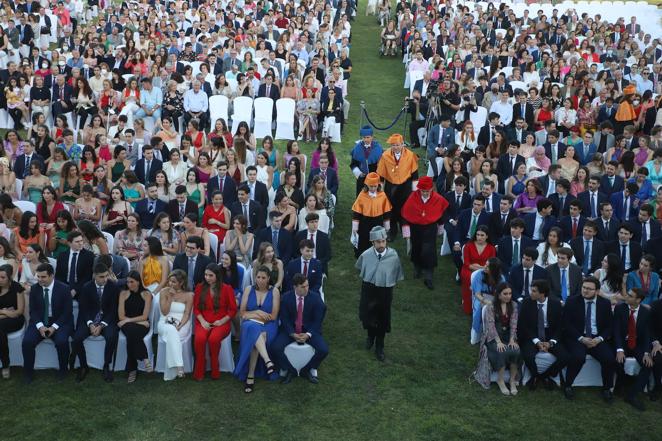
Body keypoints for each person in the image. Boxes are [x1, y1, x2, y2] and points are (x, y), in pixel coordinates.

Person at [562, 276, 616, 402]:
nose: (585, 291)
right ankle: (568, 385)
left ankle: (607, 388)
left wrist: (600, 339)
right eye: (584, 287)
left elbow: (609, 326)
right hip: (578, 338)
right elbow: (566, 324)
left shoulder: (605, 303)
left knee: (609, 359)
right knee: (578, 357)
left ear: (597, 291)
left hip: (597, 339)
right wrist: (581, 338)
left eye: (589, 289)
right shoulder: (572, 301)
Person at [355, 226, 404, 361]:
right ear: (373, 243)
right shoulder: (366, 255)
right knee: (368, 315)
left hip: (385, 291)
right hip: (369, 289)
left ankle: (379, 346)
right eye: (378, 242)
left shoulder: (393, 256)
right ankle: (370, 336)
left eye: (383, 241)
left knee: (382, 318)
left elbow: (396, 273)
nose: (381, 244)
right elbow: (360, 267)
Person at [270, 273, 328, 385]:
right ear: (295, 287)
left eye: (307, 285)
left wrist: (308, 334)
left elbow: (318, 320)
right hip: (290, 331)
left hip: (309, 330)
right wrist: (292, 333)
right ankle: (290, 370)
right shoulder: (286, 298)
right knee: (275, 348)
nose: (306, 289)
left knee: (323, 350)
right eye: (303, 287)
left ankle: (306, 370)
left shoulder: (315, 298)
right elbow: (285, 319)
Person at [21, 263, 73, 383]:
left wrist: (54, 327)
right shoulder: (34, 288)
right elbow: (33, 310)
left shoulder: (64, 288)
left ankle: (63, 370)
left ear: (52, 276)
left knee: (61, 342)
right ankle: (28, 373)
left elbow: (67, 312)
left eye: (43, 277)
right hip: (39, 321)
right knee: (27, 342)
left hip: (60, 321)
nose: (39, 279)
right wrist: (40, 326)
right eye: (38, 277)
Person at [233, 265, 280, 392]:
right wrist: (258, 312)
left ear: (269, 278)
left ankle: (250, 375)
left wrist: (252, 314)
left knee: (256, 337)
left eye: (263, 277)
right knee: (253, 329)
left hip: (269, 325)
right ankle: (268, 361)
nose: (260, 280)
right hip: (250, 323)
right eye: (258, 277)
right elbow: (242, 313)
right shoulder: (248, 289)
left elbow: (273, 316)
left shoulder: (274, 291)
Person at [70, 263, 120, 383]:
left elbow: (113, 310)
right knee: (77, 338)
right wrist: (91, 324)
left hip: (107, 320)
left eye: (106, 276)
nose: (105, 279)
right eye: (102, 277)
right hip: (89, 319)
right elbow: (83, 308)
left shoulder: (113, 287)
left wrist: (102, 325)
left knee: (112, 336)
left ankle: (106, 365)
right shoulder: (87, 287)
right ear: (95, 276)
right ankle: (83, 366)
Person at [517, 279, 569, 391]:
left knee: (565, 357)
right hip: (532, 334)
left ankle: (545, 376)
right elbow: (523, 325)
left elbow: (560, 326)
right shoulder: (527, 302)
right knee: (528, 355)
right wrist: (536, 341)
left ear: (542, 293)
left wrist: (551, 342)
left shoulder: (555, 304)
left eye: (534, 291)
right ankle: (535, 375)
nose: (531, 293)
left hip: (550, 335)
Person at [401, 176, 448, 290]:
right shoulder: (413, 197)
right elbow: (406, 213)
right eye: (423, 191)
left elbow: (442, 213)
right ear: (419, 189)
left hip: (430, 228)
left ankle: (428, 276)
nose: (425, 193)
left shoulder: (437, 198)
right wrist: (406, 230)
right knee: (416, 247)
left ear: (431, 189)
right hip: (415, 227)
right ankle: (417, 267)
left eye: (427, 191)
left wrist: (441, 227)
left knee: (429, 250)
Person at [192, 263, 237, 381]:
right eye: (206, 275)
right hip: (203, 321)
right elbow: (196, 308)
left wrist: (222, 321)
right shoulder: (199, 287)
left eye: (210, 275)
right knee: (199, 339)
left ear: (217, 276)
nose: (207, 278)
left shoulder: (227, 289)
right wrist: (202, 321)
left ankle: (215, 368)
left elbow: (232, 310)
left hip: (221, 322)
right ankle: (200, 370)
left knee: (214, 339)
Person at [475, 282, 520, 395]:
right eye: (505, 294)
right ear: (499, 295)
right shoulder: (491, 307)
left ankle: (512, 380)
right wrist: (498, 342)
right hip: (493, 336)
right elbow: (491, 326)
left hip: (508, 335)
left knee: (516, 350)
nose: (508, 296)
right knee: (501, 351)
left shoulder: (513, 305)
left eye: (510, 293)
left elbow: (514, 324)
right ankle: (500, 380)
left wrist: (511, 339)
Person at [613, 287, 653, 411]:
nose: (627, 297)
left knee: (648, 365)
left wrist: (646, 352)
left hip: (637, 344)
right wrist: (619, 349)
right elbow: (616, 331)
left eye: (630, 296)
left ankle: (632, 395)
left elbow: (647, 334)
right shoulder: (620, 308)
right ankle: (621, 385)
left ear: (638, 300)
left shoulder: (645, 312)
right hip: (623, 343)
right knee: (618, 361)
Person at [376, 133, 419, 239]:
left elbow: (415, 173)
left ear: (402, 144)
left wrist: (415, 190)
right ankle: (392, 231)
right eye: (393, 145)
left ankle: (406, 231)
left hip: (406, 186)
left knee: (405, 208)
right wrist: (380, 190)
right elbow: (381, 174)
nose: (395, 147)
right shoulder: (385, 156)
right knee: (391, 209)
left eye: (397, 145)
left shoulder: (410, 155)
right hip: (391, 186)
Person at [117, 271, 153, 383]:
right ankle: (145, 358)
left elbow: (145, 316)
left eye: (132, 282)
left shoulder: (147, 294)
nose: (129, 284)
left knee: (131, 336)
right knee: (132, 332)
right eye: (127, 282)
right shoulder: (123, 294)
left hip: (136, 325)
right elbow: (121, 316)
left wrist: (129, 320)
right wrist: (138, 322)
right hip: (129, 325)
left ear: (138, 282)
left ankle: (132, 369)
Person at [157, 269, 193, 381]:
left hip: (182, 322)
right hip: (164, 321)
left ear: (181, 283)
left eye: (173, 282)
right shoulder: (164, 292)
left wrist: (181, 325)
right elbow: (164, 312)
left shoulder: (189, 295)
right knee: (171, 331)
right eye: (169, 281)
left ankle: (176, 367)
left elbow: (187, 314)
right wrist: (170, 298)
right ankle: (179, 366)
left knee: (174, 332)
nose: (170, 284)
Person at [351, 172, 392, 257]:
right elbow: (356, 212)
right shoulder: (362, 195)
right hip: (364, 223)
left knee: (377, 239)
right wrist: (355, 227)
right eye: (371, 186)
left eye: (375, 186)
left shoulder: (382, 195)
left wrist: (387, 226)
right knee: (364, 241)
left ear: (378, 185)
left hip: (378, 222)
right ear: (367, 185)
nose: (373, 188)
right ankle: (362, 258)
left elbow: (386, 211)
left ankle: (376, 257)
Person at [0, 265, 25, 379]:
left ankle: (5, 364)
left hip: (15, 320)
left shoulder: (17, 287)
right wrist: (6, 311)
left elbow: (19, 311)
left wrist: (4, 312)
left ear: (9, 277)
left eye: (2, 277)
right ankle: (5, 363)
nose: (0, 279)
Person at [54, 231, 95, 299]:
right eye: (77, 242)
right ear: (69, 243)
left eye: (81, 241)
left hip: (81, 288)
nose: (81, 243)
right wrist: (64, 289)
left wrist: (75, 290)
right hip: (65, 287)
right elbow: (58, 276)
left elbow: (87, 276)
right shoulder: (62, 256)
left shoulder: (89, 256)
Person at [350, 126, 383, 195]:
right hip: (362, 178)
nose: (366, 139)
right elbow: (353, 164)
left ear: (372, 137)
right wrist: (359, 173)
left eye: (368, 137)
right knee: (361, 195)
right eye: (364, 137)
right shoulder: (357, 148)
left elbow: (382, 166)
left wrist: (381, 180)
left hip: (374, 177)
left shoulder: (378, 148)